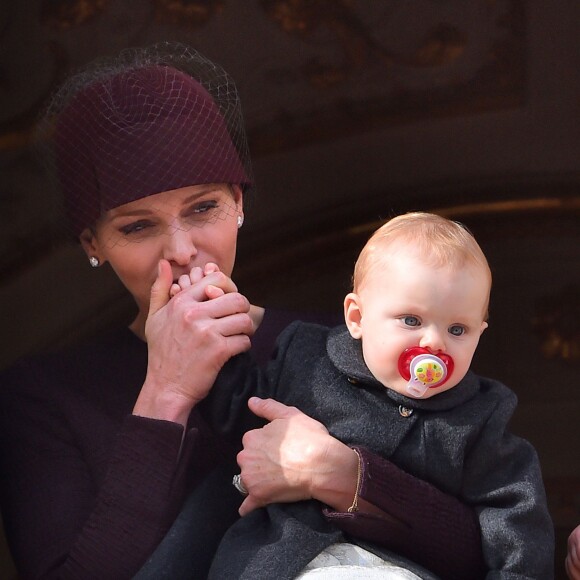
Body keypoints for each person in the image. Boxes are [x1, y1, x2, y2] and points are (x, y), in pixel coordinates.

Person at [0, 43, 485, 580]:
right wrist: (166, 393)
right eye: (137, 226)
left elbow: (480, 549)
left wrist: (342, 474)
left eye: (203, 207)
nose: (182, 249)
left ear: (239, 201)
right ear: (94, 243)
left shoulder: (350, 344)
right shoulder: (44, 394)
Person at [183, 212, 555, 579]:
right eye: (411, 320)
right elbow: (237, 407)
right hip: (284, 559)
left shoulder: (481, 417)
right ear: (357, 318)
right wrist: (210, 326)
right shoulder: (307, 359)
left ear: (480, 333)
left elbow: (517, 527)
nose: (434, 342)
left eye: (458, 329)